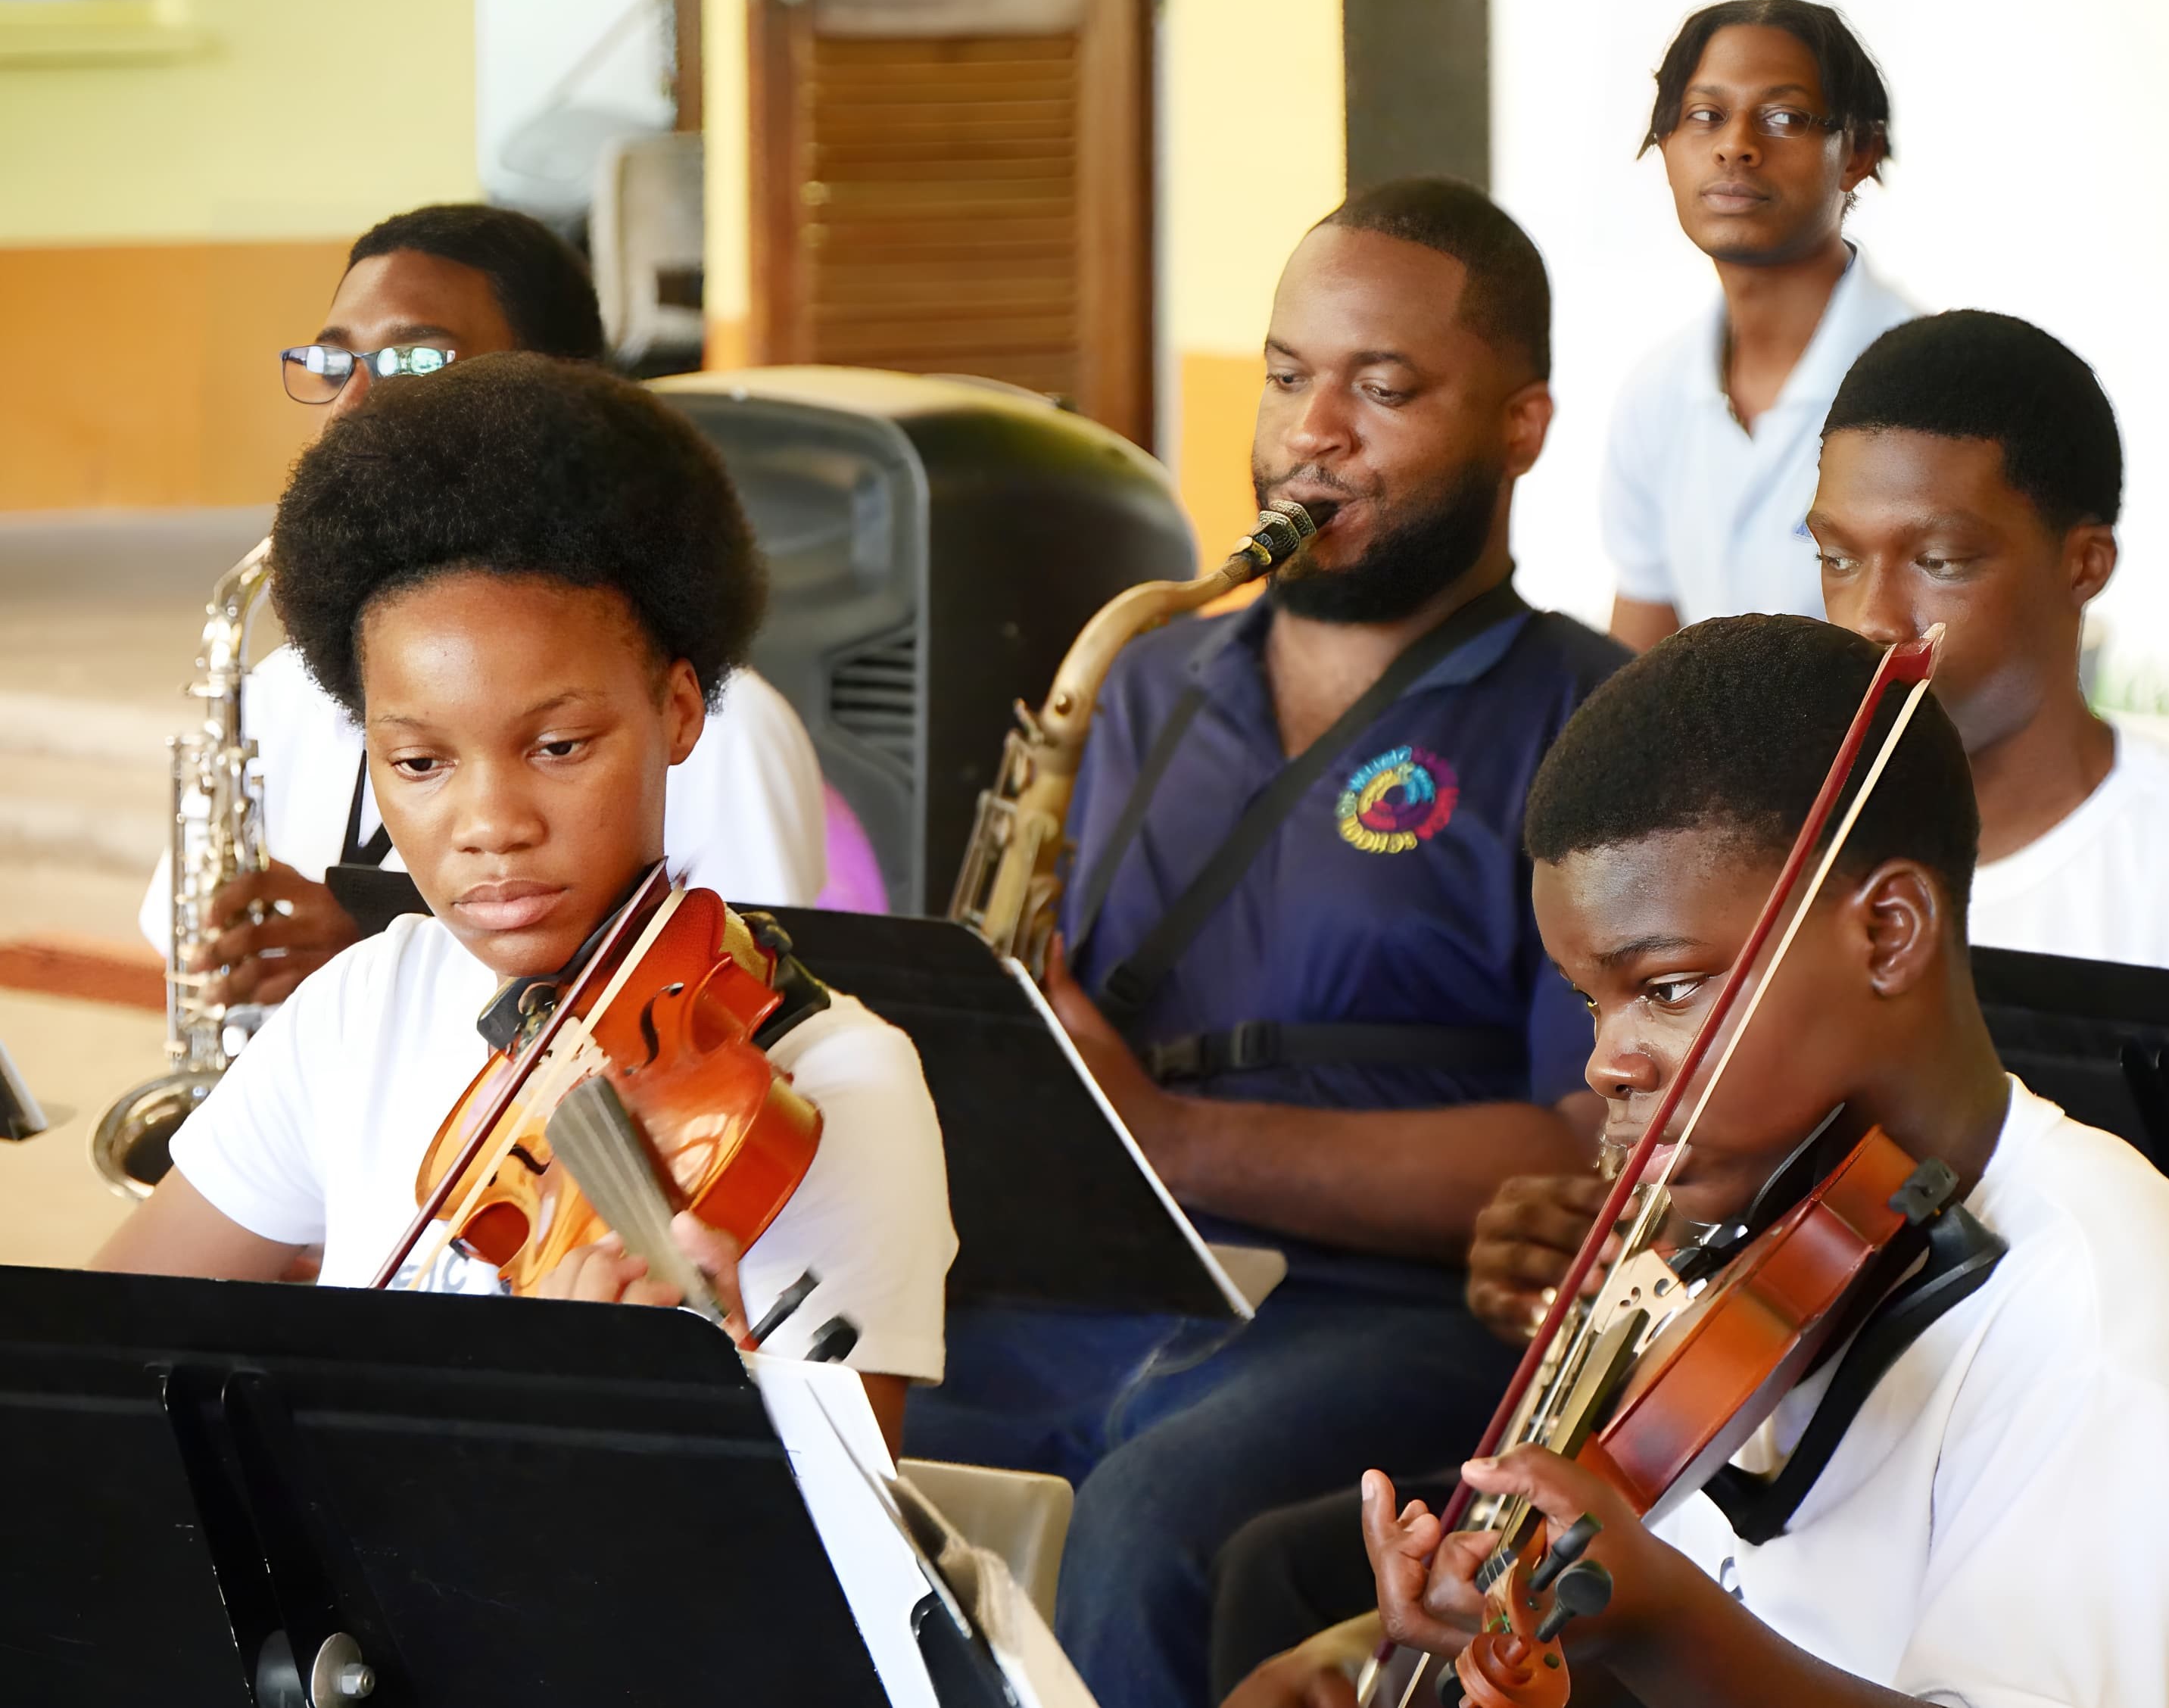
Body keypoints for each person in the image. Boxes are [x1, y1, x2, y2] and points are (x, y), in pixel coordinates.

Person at [1225, 616, 2169, 1708]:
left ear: (1889, 933)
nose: (1608, 1063)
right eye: (1591, 1004)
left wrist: (1664, 1628)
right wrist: (1430, 1658)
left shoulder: (2107, 1324)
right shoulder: (1772, 1237)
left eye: (1665, 989)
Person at [902, 178, 1628, 1708]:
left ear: (1522, 426)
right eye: (1289, 375)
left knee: (1148, 1520)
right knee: (833, 1433)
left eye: (1384, 388)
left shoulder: (1594, 718)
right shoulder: (1141, 679)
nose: (1314, 431)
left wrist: (1173, 1135)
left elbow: (1579, 1148)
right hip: (1106, 1286)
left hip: (1399, 1312)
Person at [94, 356, 953, 1457]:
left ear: (678, 711)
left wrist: (594, 1414)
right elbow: (100, 1374)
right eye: (419, 763)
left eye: (558, 746)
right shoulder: (366, 1004)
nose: (490, 824)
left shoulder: (825, 1093)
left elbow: (828, 1551)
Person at [138, 202, 826, 1002]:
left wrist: (374, 958)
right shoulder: (286, 692)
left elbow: (748, 1013)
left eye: (415, 360)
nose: (352, 405)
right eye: (335, 364)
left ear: (561, 387)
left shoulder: (728, 728)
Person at [1810, 308, 2169, 983]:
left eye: (1939, 562)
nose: (1870, 620)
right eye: (1837, 558)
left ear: (2083, 565)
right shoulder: (1787, 848)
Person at [1603, 0, 1915, 650]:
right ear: (1666, 145)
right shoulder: (1655, 397)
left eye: (1784, 118)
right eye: (1705, 116)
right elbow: (1634, 675)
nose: (1736, 147)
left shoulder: (1930, 387)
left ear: (1858, 152)